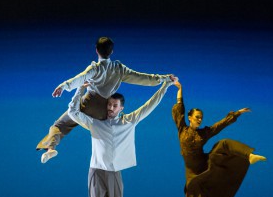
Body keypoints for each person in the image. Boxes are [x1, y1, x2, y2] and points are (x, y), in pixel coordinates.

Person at [68, 77, 176, 197]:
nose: (110, 108)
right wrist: (80, 91)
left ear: (121, 108)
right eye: (109, 104)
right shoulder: (95, 123)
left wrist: (165, 85)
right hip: (96, 173)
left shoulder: (129, 121)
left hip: (115, 174)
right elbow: (72, 112)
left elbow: (150, 105)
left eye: (114, 105)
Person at [36, 36, 174, 163]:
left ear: (96, 50)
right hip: (104, 110)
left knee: (60, 125)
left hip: (88, 103)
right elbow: (143, 78)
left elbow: (80, 78)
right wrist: (164, 78)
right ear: (112, 52)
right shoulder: (120, 69)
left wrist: (64, 86)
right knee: (103, 133)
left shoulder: (95, 68)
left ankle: (51, 148)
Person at [171, 80, 266, 197]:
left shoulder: (204, 133)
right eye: (197, 117)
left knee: (223, 143)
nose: (200, 119)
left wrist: (237, 114)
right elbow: (180, 108)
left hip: (205, 164)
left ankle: (250, 155)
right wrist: (180, 89)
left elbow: (219, 125)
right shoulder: (182, 128)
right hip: (192, 172)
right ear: (190, 118)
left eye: (201, 117)